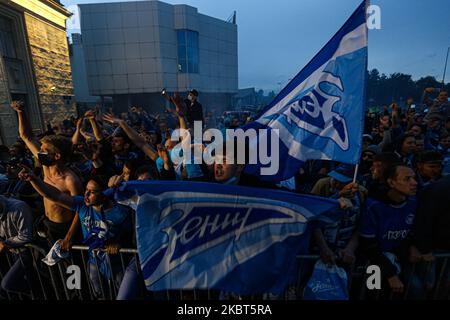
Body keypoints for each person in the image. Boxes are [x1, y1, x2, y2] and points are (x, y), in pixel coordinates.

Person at [18, 169, 133, 299]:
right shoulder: (82, 205)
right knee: (100, 295)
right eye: (86, 190)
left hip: (119, 264)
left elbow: (133, 237)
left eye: (92, 192)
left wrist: (120, 244)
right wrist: (34, 179)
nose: (86, 195)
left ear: (104, 194)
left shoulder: (121, 212)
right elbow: (54, 196)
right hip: (94, 263)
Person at [11, 101, 83, 250]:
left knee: (72, 271)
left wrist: (69, 237)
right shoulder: (46, 166)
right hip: (49, 225)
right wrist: (20, 112)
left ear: (56, 156)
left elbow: (80, 210)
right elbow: (27, 136)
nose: (40, 153)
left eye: (44, 150)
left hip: (66, 229)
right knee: (53, 271)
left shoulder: (70, 180)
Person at [360, 164, 418, 296]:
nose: (414, 183)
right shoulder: (374, 206)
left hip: (400, 261)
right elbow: (368, 245)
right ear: (391, 182)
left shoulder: (413, 202)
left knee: (412, 290)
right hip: (373, 264)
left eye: (414, 178)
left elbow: (413, 230)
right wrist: (390, 273)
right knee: (372, 294)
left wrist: (414, 245)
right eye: (407, 179)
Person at [0, 195, 35, 297]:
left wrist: (5, 243)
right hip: (13, 252)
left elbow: (26, 236)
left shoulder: (18, 208)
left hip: (28, 253)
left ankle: (37, 291)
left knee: (7, 284)